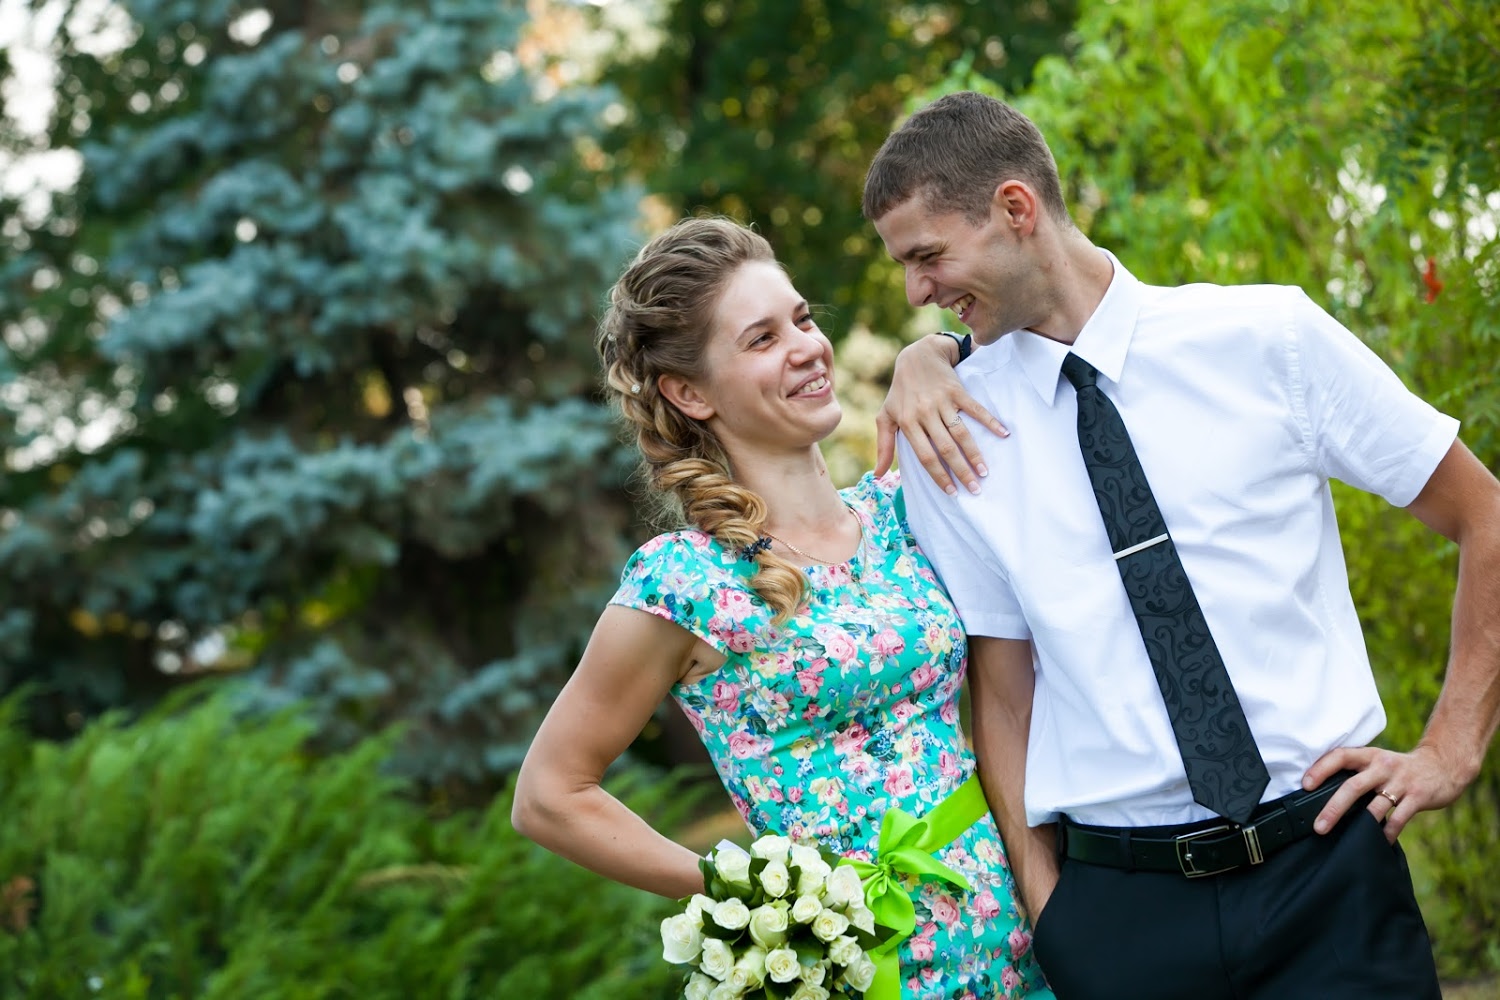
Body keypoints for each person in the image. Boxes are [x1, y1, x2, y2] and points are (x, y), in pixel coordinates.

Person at [862, 91, 1500, 1000]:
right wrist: (1052, 910)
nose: (919, 291)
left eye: (927, 257)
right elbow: (1004, 691)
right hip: (1120, 919)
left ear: (1016, 208)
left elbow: (1486, 515)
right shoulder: (952, 431)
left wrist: (1452, 746)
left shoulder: (1268, 338)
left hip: (1328, 882)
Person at [511, 216, 1053, 999]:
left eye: (801, 319)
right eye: (761, 339)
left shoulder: (910, 512)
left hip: (1027, 952)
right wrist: (752, 899)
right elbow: (549, 796)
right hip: (870, 977)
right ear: (689, 393)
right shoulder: (686, 584)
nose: (806, 346)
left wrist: (927, 351)